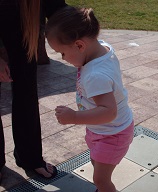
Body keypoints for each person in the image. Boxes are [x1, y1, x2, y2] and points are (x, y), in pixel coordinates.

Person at [45, 6, 134, 192]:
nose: (62, 58)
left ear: (79, 45)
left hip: (113, 133)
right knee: (96, 162)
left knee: (101, 179)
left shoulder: (95, 74)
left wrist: (74, 117)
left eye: (62, 52)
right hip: (102, 129)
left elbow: (109, 111)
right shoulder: (102, 48)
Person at [0, 0, 67, 183]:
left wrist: (84, 26)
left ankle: (29, 157)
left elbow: (56, 7)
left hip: (24, 25)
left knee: (27, 94)